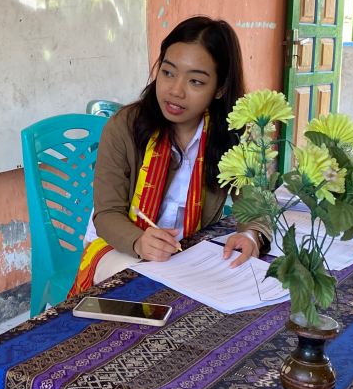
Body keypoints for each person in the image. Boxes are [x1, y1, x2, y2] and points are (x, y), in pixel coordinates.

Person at [70, 16, 272, 295]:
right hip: (118, 244)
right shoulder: (124, 127)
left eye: (196, 82)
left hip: (187, 249)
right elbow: (107, 214)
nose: (176, 91)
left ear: (220, 88)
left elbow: (255, 203)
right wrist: (139, 240)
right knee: (157, 292)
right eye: (168, 73)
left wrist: (251, 234)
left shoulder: (234, 134)